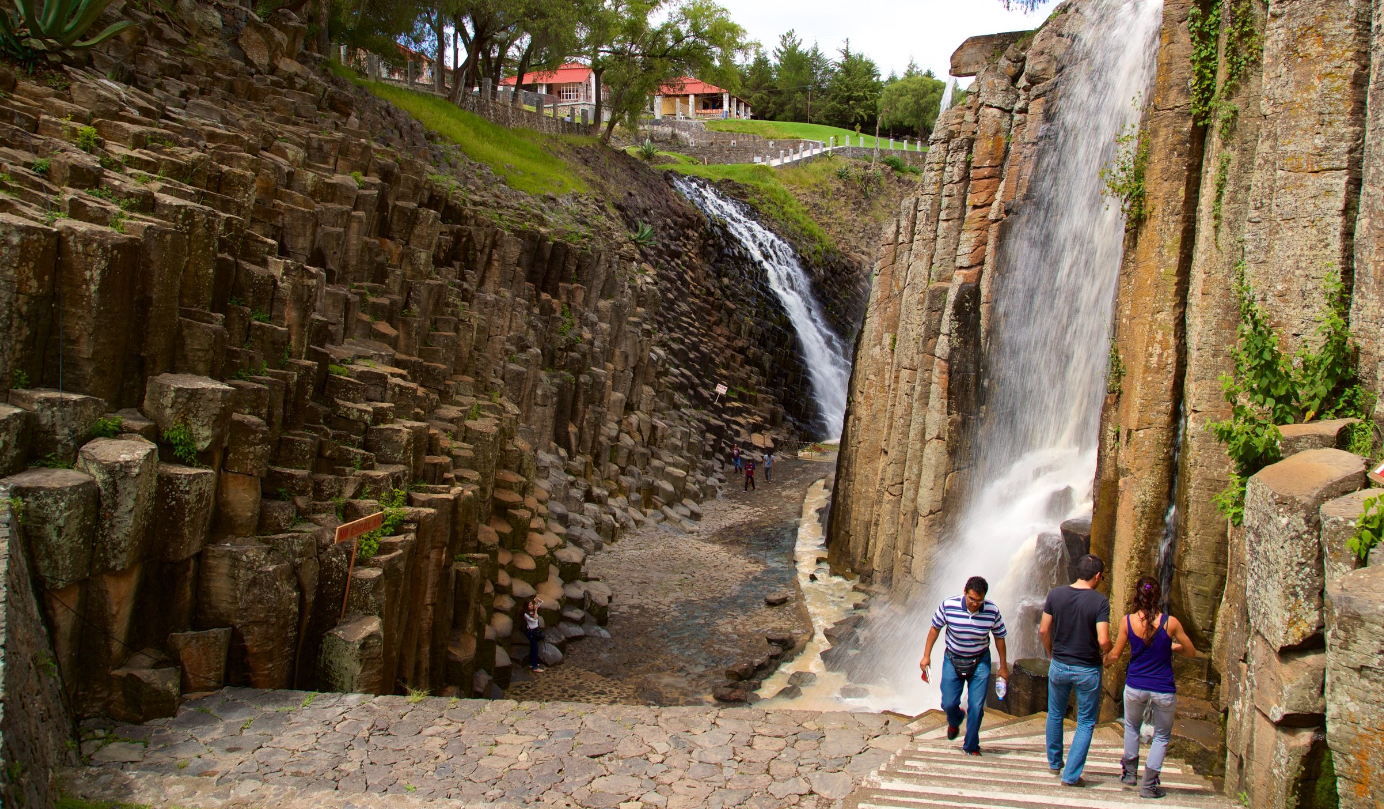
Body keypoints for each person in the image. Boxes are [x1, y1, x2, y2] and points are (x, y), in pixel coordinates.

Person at [1105, 576, 1199, 799]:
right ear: (1158, 597)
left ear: (1137, 595)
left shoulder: (1128, 621)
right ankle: (1148, 785)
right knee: (1162, 736)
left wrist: (1105, 660)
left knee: (1131, 727)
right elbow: (1191, 652)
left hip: (1136, 685)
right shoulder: (1170, 623)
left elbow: (1116, 654)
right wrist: (1173, 648)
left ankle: (1129, 775)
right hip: (1163, 689)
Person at [1041, 554, 1111, 787]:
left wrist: (1051, 654)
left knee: (1055, 714)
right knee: (1085, 722)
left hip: (1059, 664)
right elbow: (1103, 640)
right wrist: (1109, 652)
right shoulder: (1100, 602)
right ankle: (1070, 776)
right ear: (1098, 576)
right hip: (1088, 669)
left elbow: (1043, 630)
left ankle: (1053, 763)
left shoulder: (1055, 594)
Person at [919, 576, 1010, 755]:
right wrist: (926, 656)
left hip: (980, 661)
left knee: (976, 706)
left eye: (979, 600)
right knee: (948, 703)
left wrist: (1003, 666)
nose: (975, 604)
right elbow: (934, 629)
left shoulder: (992, 611)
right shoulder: (949, 605)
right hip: (953, 658)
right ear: (965, 592)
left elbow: (999, 637)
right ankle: (955, 720)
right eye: (971, 599)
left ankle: (971, 745)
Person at [524, 598, 545, 673]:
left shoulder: (533, 610)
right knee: (535, 648)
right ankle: (535, 667)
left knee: (533, 648)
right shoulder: (526, 615)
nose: (531, 606)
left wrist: (537, 600)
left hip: (535, 631)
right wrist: (536, 610)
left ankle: (531, 663)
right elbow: (534, 619)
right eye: (529, 605)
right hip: (531, 632)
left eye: (531, 604)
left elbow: (542, 602)